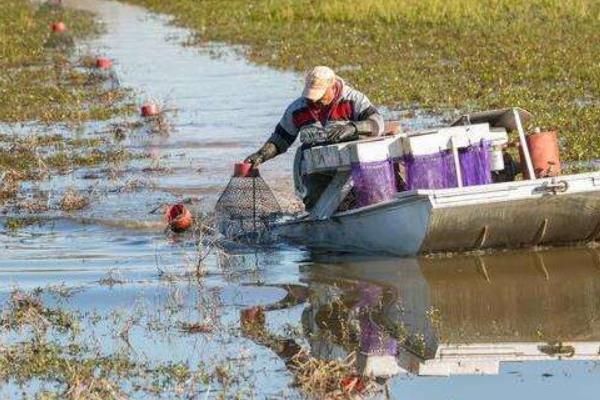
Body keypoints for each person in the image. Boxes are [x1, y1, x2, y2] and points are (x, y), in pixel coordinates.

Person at [244, 66, 384, 209]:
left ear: (333, 86)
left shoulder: (354, 99)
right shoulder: (298, 108)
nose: (315, 101)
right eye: (312, 96)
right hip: (315, 168)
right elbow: (281, 138)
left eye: (320, 96)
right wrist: (260, 155)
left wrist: (353, 128)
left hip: (353, 163)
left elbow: (377, 123)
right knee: (315, 200)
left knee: (370, 195)